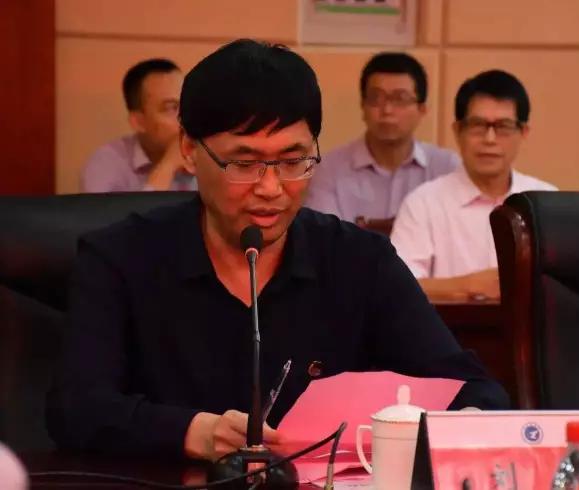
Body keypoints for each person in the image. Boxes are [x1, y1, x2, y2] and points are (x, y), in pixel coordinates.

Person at [46, 40, 509, 461]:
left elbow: (473, 390)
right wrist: (191, 432)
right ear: (188, 149)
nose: (271, 188)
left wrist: (450, 425)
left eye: (293, 161)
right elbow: (75, 408)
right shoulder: (120, 258)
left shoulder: (360, 261)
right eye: (244, 163)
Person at [391, 70, 557, 302]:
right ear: (458, 131)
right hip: (447, 325)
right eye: (478, 125)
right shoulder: (423, 203)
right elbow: (396, 284)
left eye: (503, 126)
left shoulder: (546, 202)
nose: (490, 139)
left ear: (523, 133)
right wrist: (468, 285)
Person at [305, 52, 459, 222]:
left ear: (422, 110)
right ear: (363, 106)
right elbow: (323, 234)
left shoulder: (447, 168)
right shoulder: (329, 170)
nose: (387, 110)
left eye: (400, 99)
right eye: (376, 98)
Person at [81, 58, 196, 192]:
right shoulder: (106, 162)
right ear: (138, 122)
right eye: (171, 108)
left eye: (187, 103)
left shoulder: (203, 151)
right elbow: (99, 207)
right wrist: (168, 166)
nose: (186, 116)